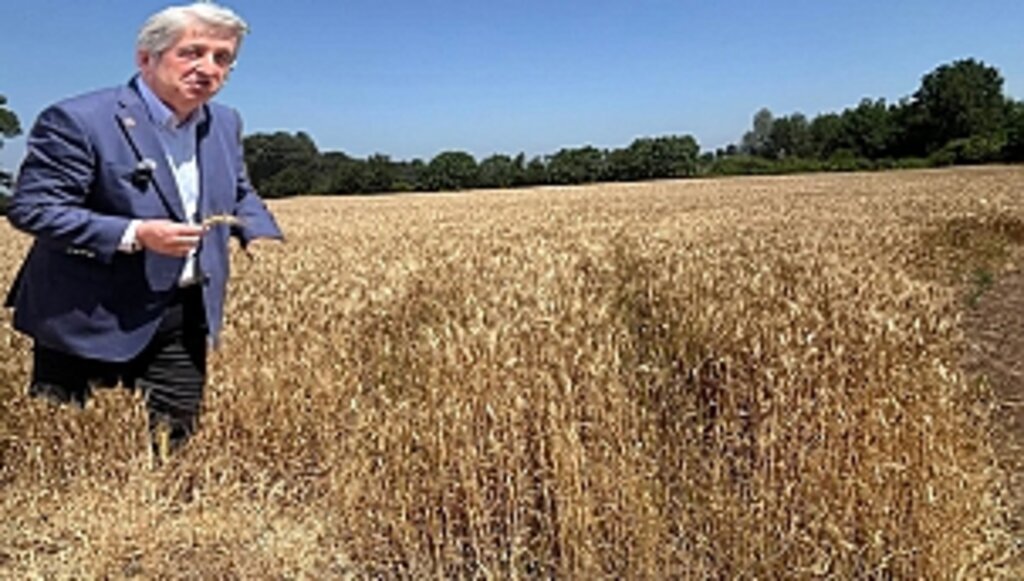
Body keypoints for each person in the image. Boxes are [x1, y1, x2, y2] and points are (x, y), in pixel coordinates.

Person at [4, 2, 283, 460]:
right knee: (71, 452)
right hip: (87, 313)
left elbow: (236, 190)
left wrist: (260, 232)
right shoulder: (79, 119)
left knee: (175, 449)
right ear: (145, 57)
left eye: (222, 58)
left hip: (183, 310)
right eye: (192, 52)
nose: (208, 68)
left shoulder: (224, 122)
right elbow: (33, 208)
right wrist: (134, 232)